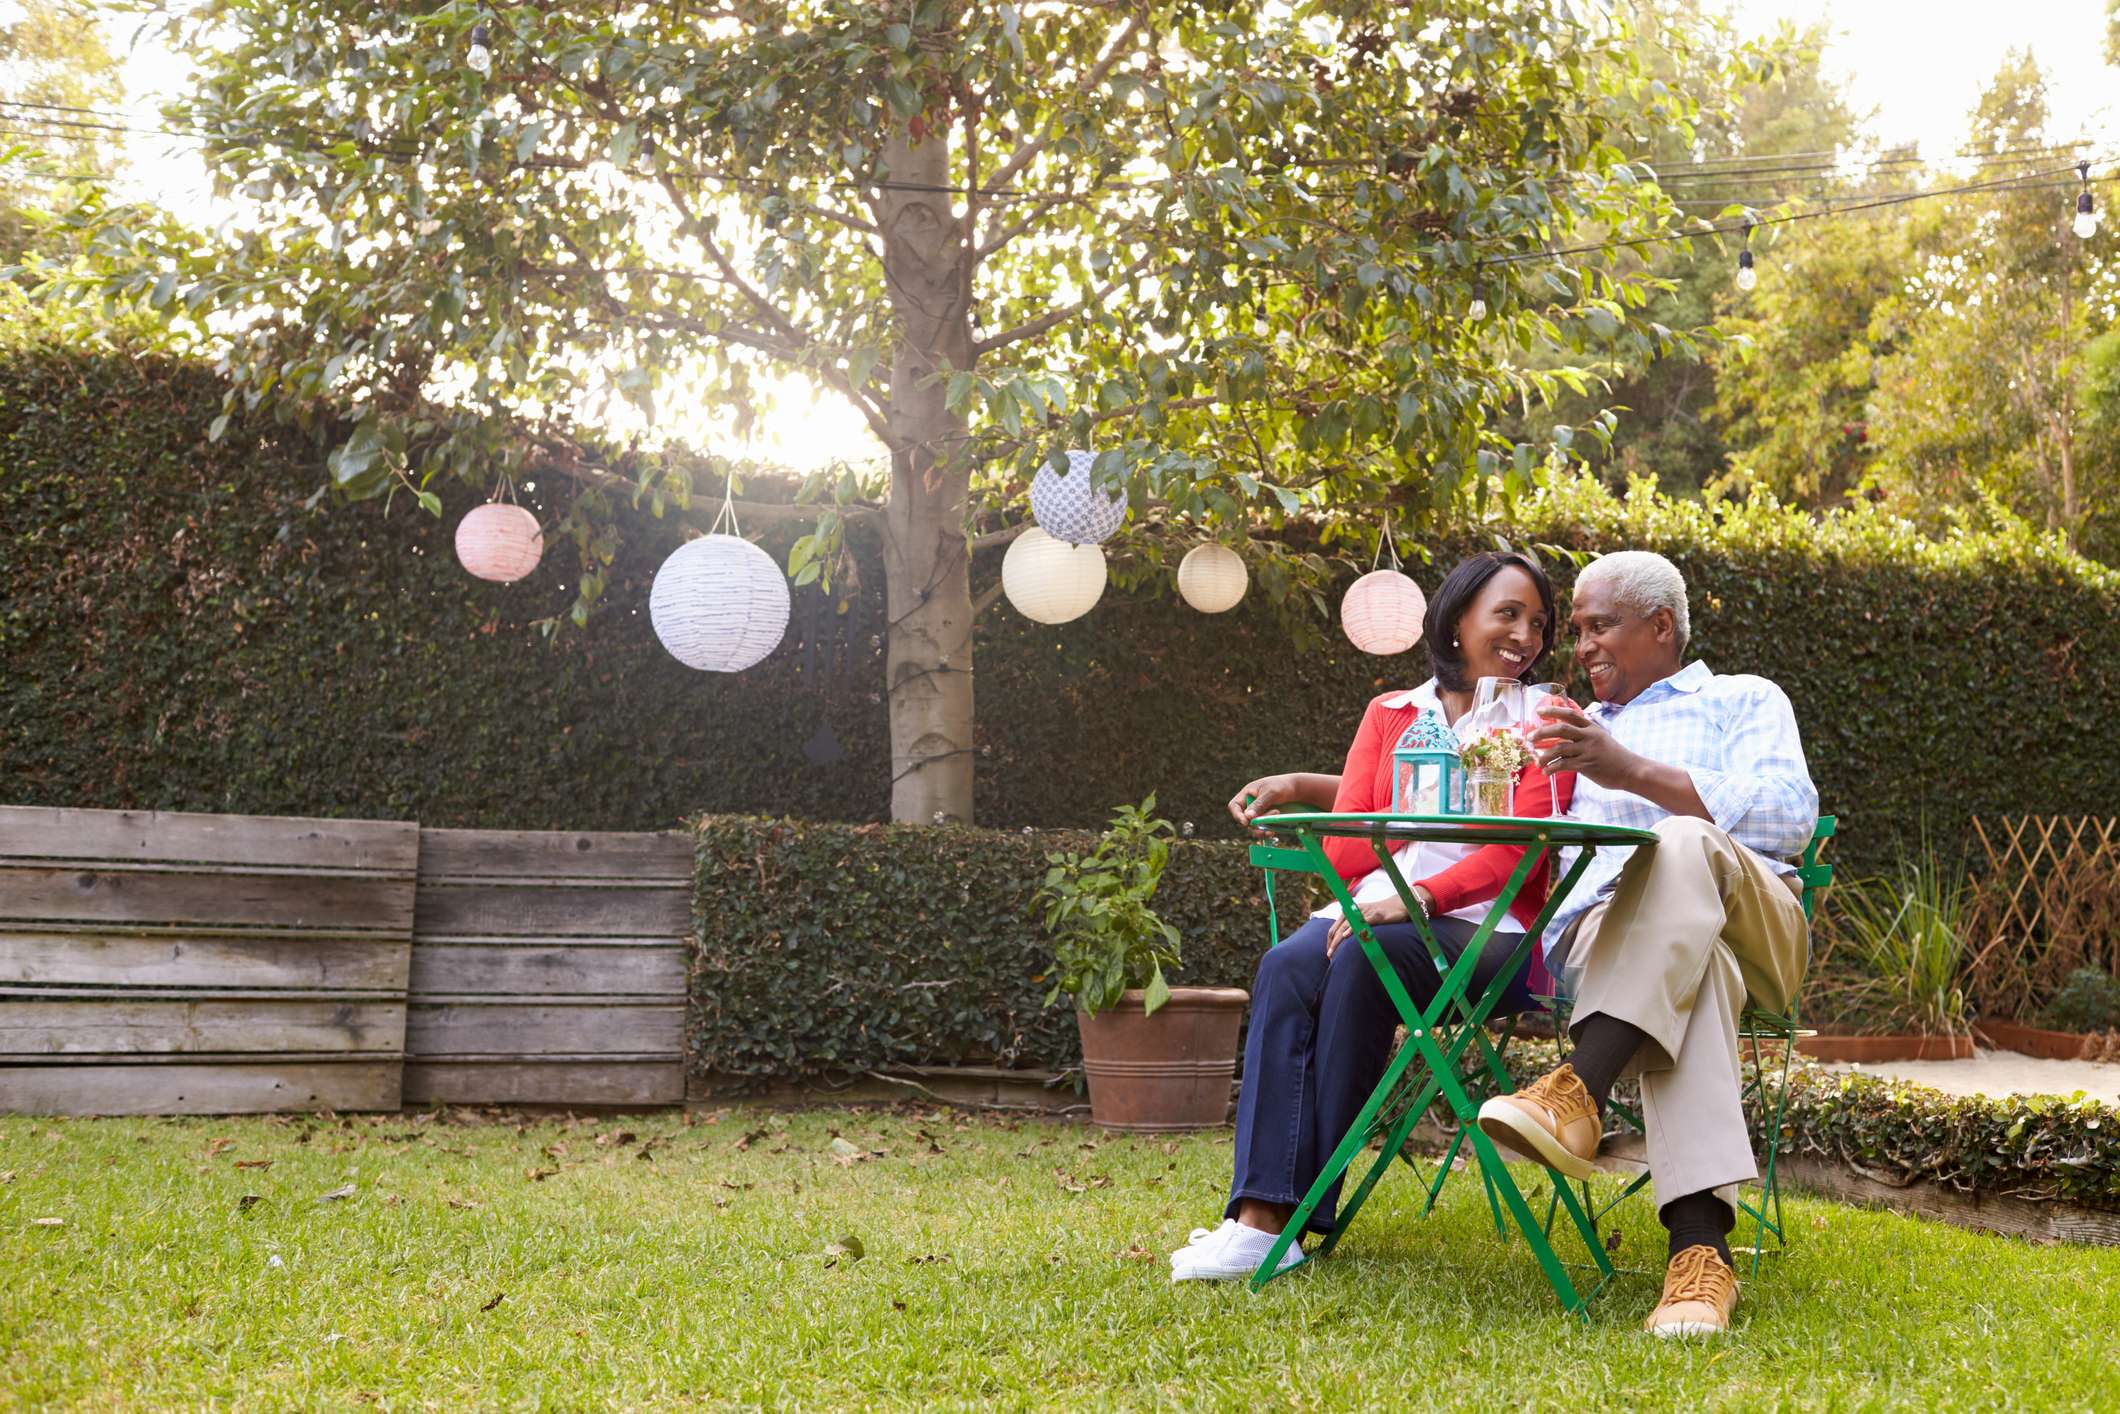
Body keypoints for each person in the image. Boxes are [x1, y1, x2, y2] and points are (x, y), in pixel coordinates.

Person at [1168, 550, 1577, 1283]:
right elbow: (1349, 846)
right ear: (1456, 622)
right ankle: (1261, 1217)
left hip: (1500, 936)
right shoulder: (1389, 714)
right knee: (1288, 964)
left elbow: (1517, 854)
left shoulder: (1549, 720)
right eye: (1507, 614)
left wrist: (1419, 894)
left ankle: (1287, 1216)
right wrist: (1410, 812)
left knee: (1368, 955)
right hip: (1372, 909)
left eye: (1539, 623)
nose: (1526, 636)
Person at [1477, 550, 1817, 1338]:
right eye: (1581, 632)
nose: (1583, 646)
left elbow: (1787, 819)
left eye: (1601, 626)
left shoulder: (1741, 699)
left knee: (1686, 842)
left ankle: (1579, 1089)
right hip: (1610, 943)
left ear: (1660, 625)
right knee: (1698, 976)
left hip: (1755, 919)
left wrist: (1629, 770)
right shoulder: (1564, 730)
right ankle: (1701, 1259)